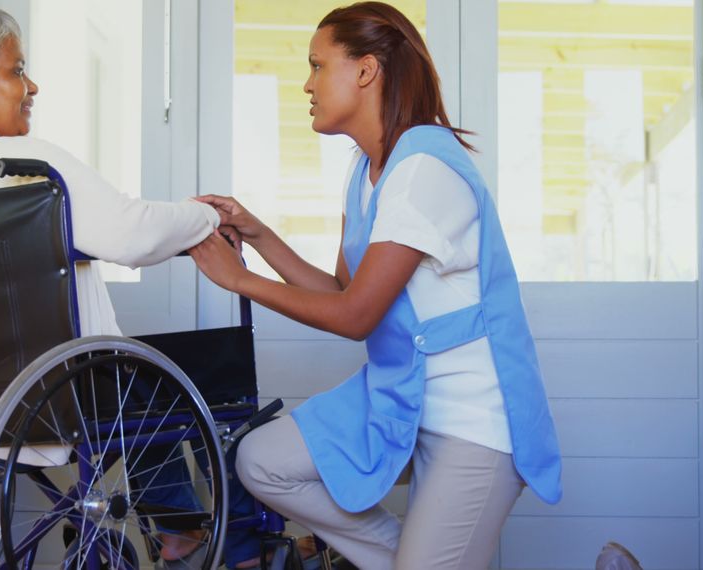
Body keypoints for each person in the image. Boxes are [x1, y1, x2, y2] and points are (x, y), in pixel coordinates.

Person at [188, 2, 562, 569]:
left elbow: (356, 317)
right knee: (260, 459)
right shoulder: (365, 169)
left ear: (366, 71)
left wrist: (240, 279)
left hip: (473, 421)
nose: (306, 84)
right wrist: (259, 235)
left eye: (317, 65)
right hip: (401, 401)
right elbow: (344, 291)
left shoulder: (423, 170)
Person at [0, 4, 262, 567]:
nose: (32, 85)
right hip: (59, 398)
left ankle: (176, 523)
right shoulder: (25, 167)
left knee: (136, 374)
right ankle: (230, 542)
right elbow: (131, 234)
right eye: (17, 70)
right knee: (202, 382)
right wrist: (206, 218)